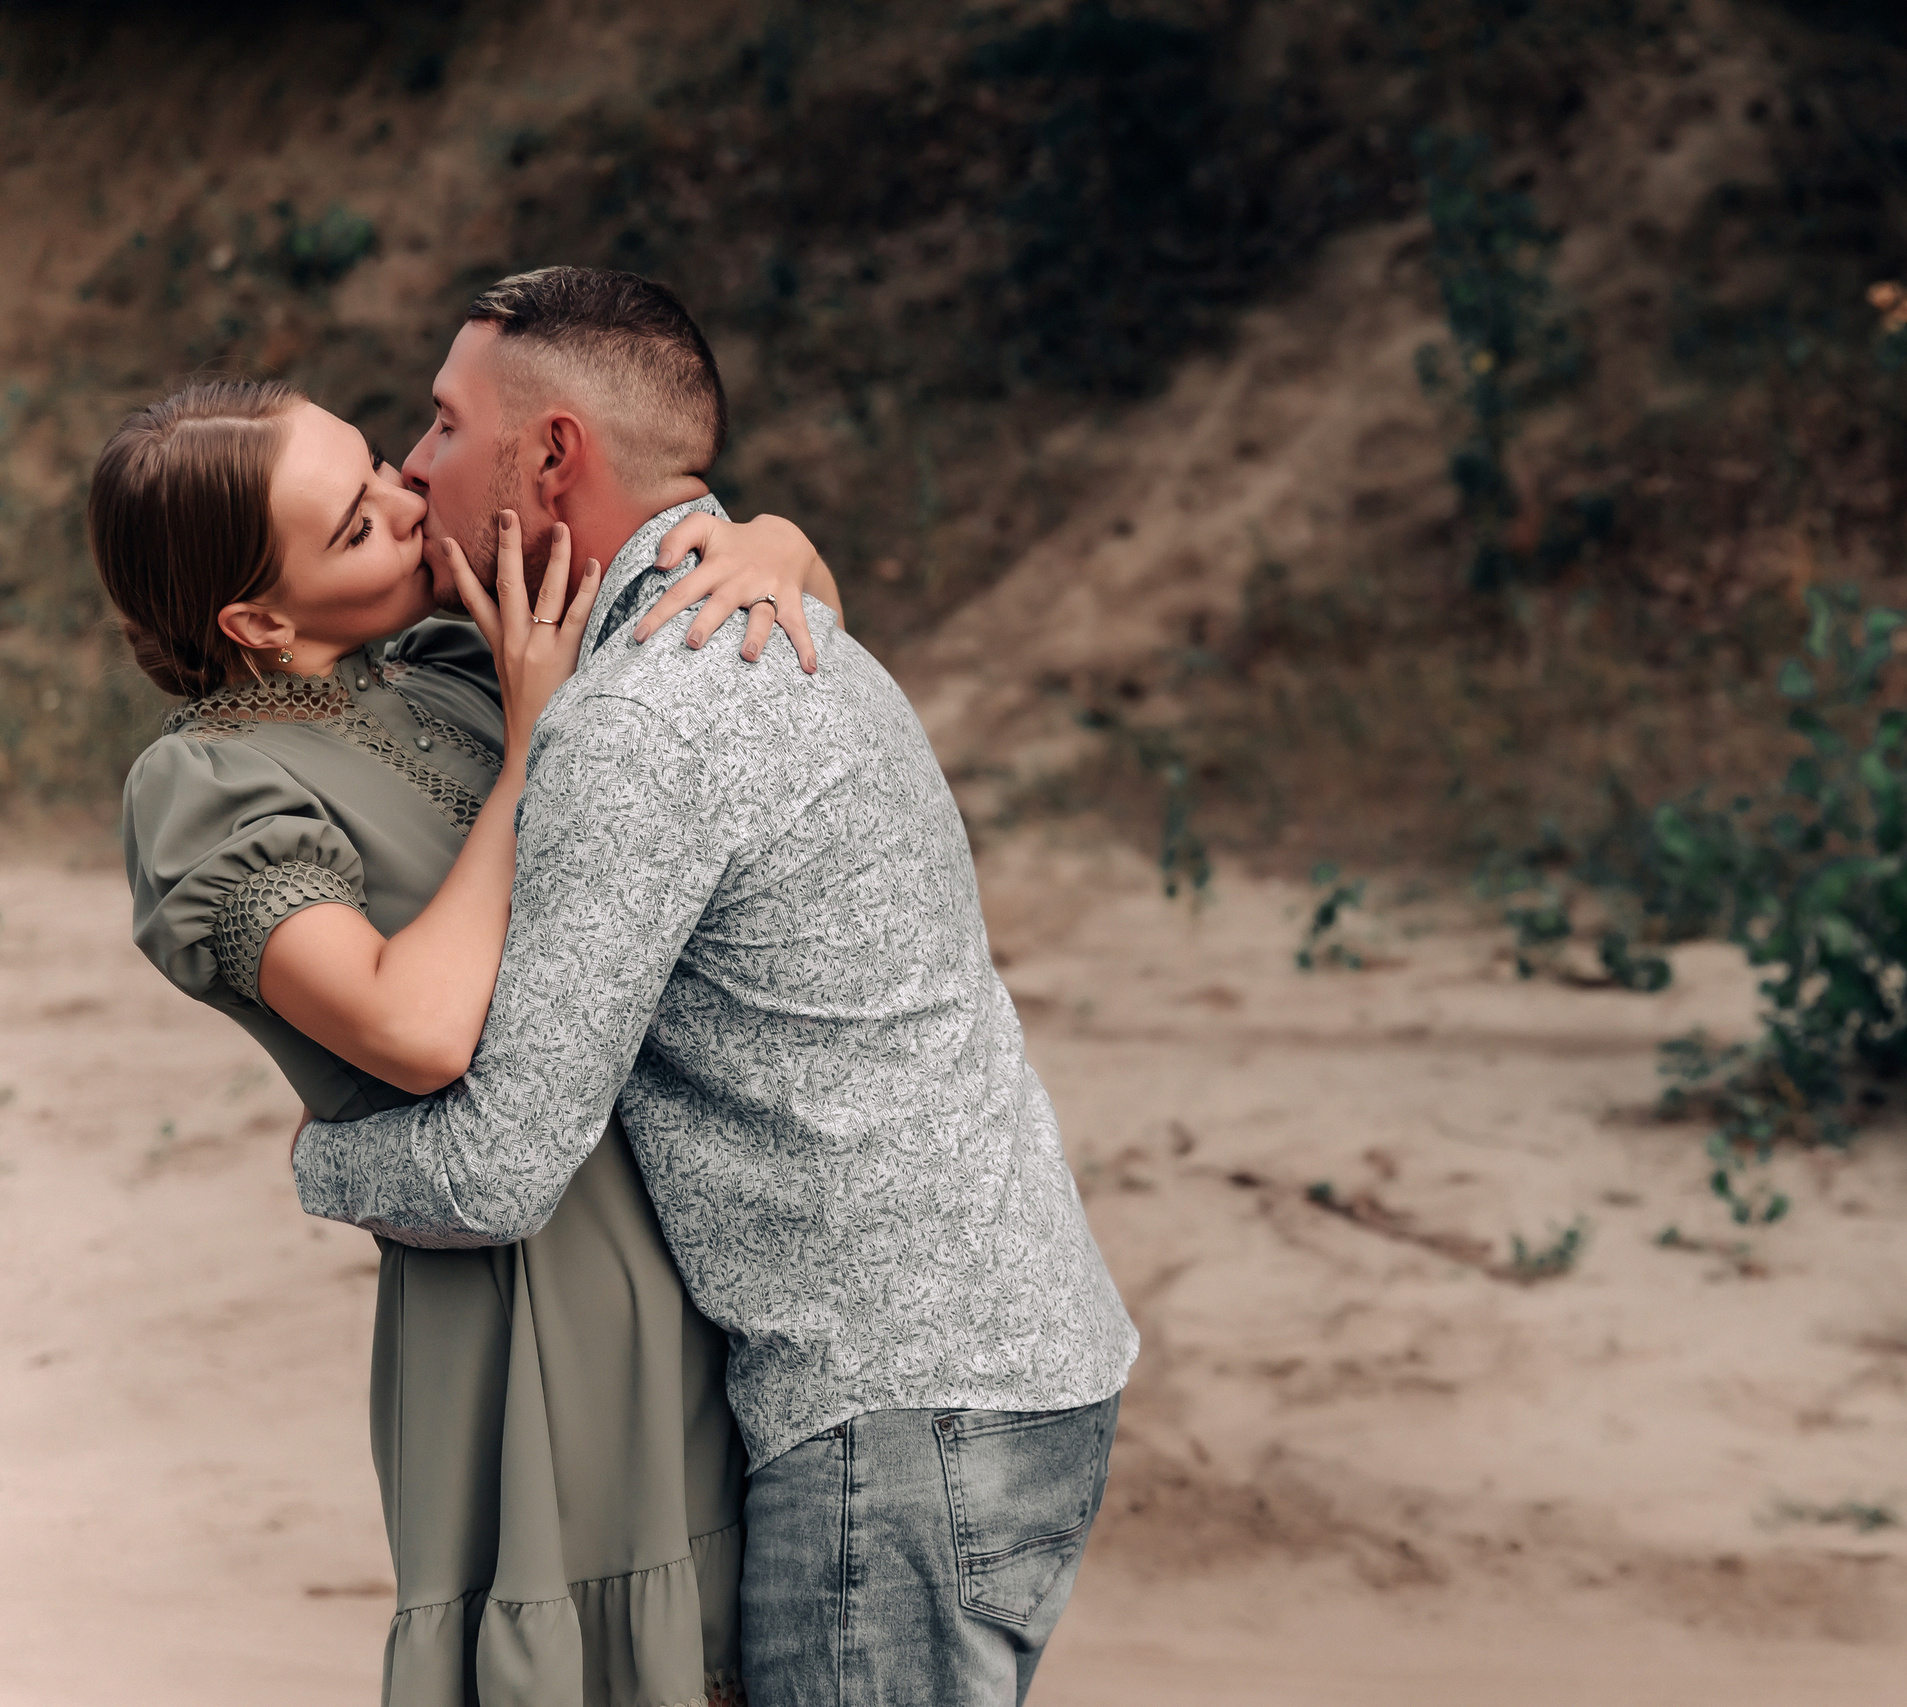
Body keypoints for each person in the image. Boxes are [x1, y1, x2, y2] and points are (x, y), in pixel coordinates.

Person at [293, 266, 1141, 1707]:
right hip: (1003, 1367)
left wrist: (318, 1159)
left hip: (893, 1426)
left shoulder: (643, 718)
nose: (414, 463)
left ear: (553, 455)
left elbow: (500, 1169)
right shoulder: (769, 618)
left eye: (443, 424)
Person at [99, 361, 842, 1704]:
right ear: (257, 617)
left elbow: (768, 653)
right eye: (355, 525)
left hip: (698, 1256)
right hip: (520, 1306)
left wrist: (776, 543)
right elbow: (417, 1026)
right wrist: (532, 746)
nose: (407, 501)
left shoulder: (457, 664)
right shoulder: (206, 789)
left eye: (380, 469)